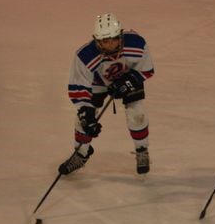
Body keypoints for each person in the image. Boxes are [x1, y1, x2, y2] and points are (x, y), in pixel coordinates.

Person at [59, 13, 154, 176]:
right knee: (83, 120)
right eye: (104, 41)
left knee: (137, 113)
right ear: (96, 40)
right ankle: (81, 153)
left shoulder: (137, 44)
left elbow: (146, 69)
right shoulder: (85, 56)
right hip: (98, 84)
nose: (110, 44)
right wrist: (86, 111)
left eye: (113, 39)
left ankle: (142, 149)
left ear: (121, 36)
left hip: (127, 78)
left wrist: (128, 82)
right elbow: (77, 86)